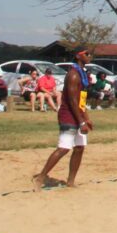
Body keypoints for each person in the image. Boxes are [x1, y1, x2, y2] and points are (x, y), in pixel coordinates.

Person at [34, 49, 94, 189]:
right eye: (87, 54)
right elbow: (73, 101)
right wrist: (81, 122)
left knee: (79, 148)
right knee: (64, 148)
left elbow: (81, 99)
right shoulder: (73, 75)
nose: (90, 56)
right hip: (69, 114)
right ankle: (41, 178)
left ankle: (70, 181)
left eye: (91, 54)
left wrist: (86, 117)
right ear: (78, 56)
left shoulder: (82, 74)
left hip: (79, 114)